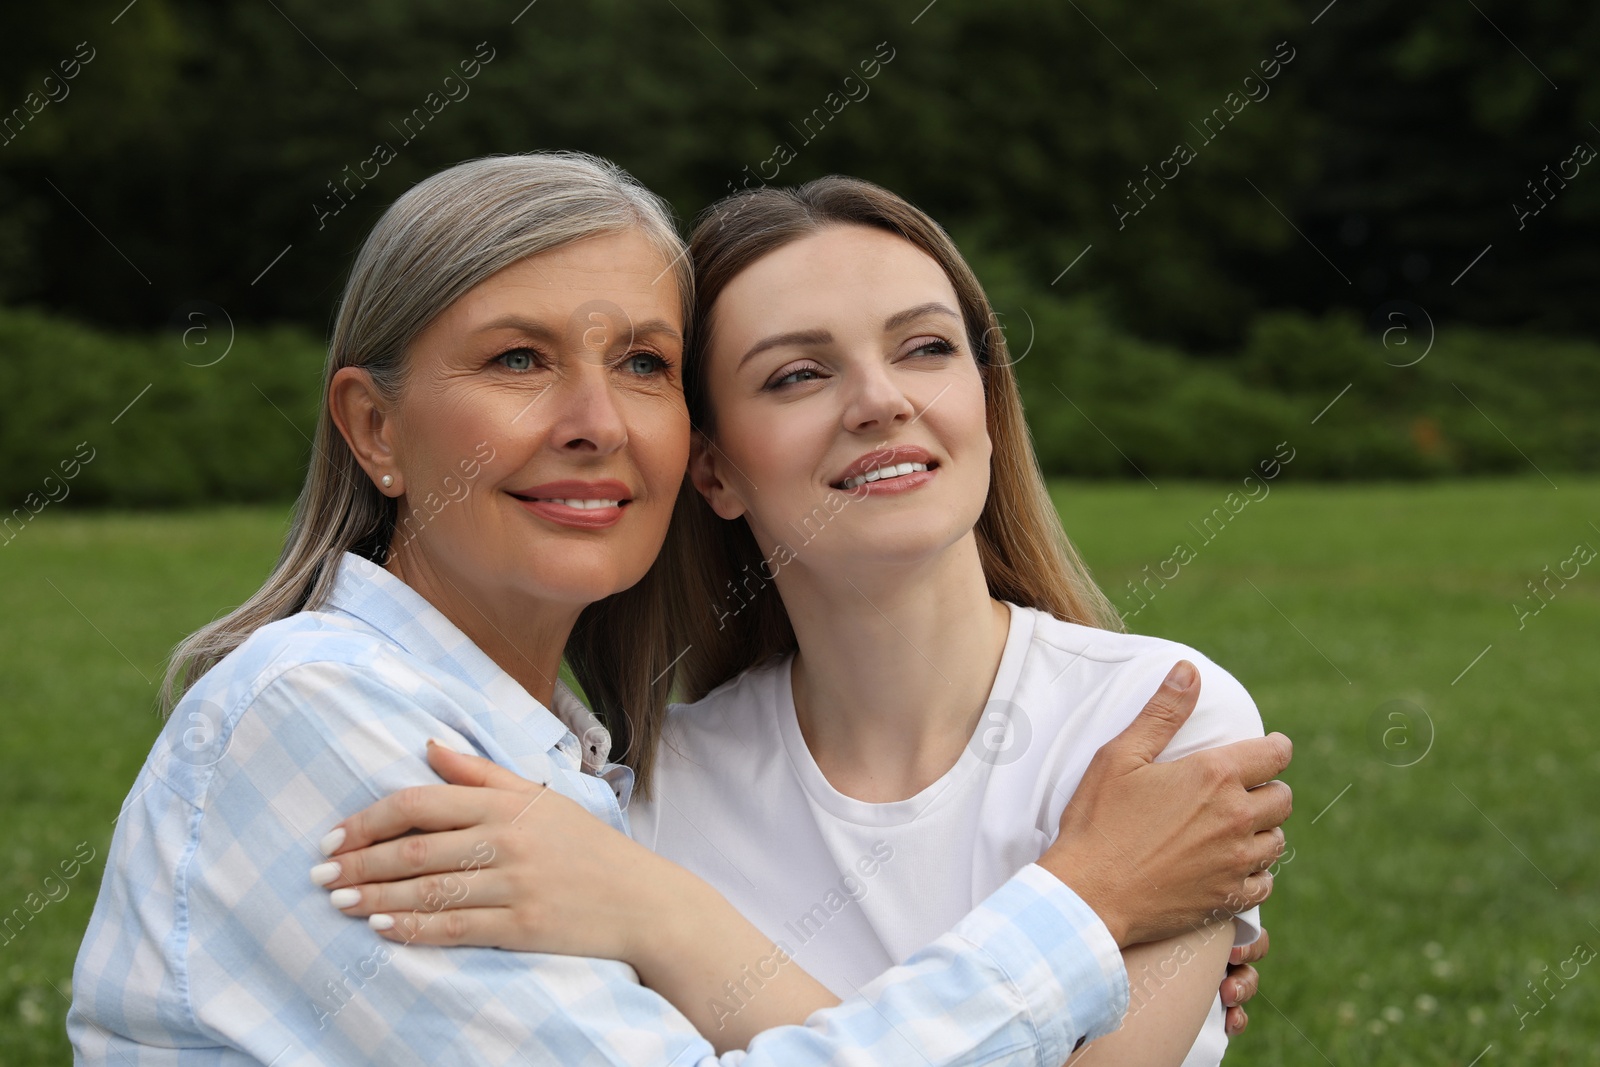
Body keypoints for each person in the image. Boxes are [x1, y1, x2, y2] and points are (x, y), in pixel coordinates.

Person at [70, 152, 1290, 1065]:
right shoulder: (326, 718)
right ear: (375, 428)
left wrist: (651, 905)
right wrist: (1090, 907)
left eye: (644, 364)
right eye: (518, 358)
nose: (595, 421)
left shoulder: (584, 779)